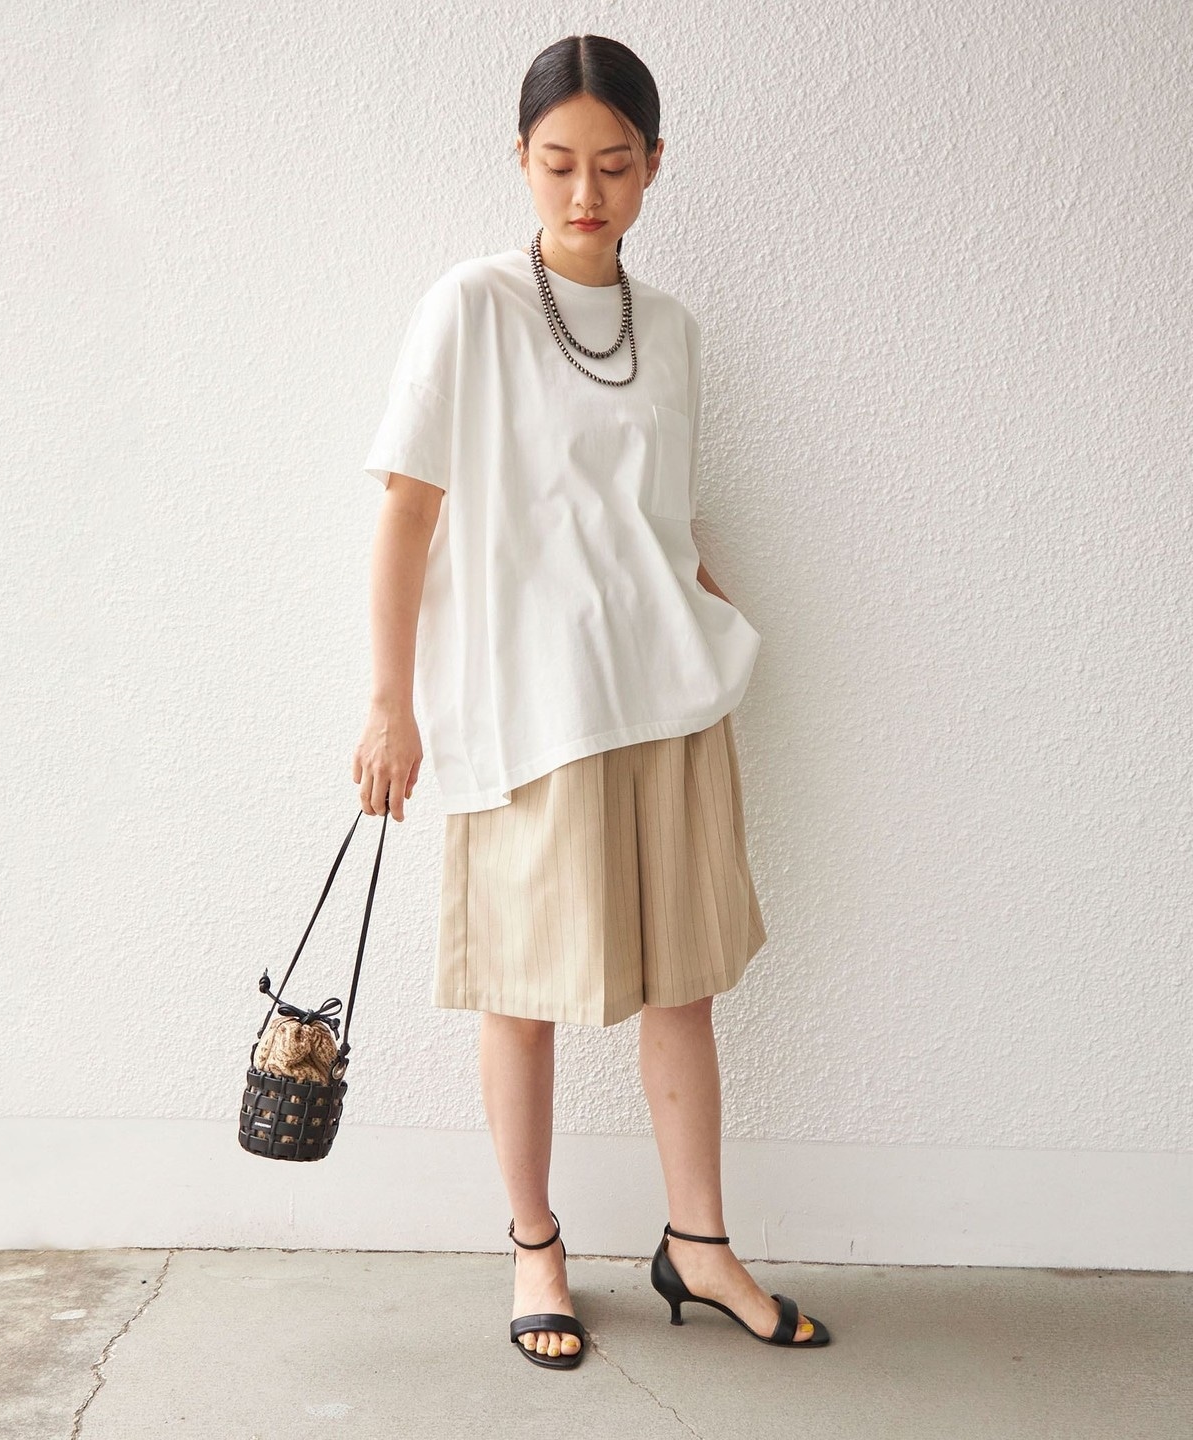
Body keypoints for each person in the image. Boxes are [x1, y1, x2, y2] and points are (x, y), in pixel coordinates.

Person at [352, 34, 831, 1370]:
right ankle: (535, 1248)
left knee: (686, 988)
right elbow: (405, 514)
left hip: (668, 699)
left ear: (654, 165)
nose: (585, 192)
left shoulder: (671, 329)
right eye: (558, 162)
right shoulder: (472, 307)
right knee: (520, 989)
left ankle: (700, 1245)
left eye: (614, 165)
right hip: (528, 709)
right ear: (520, 160)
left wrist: (718, 617)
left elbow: (658, 520)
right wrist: (390, 703)